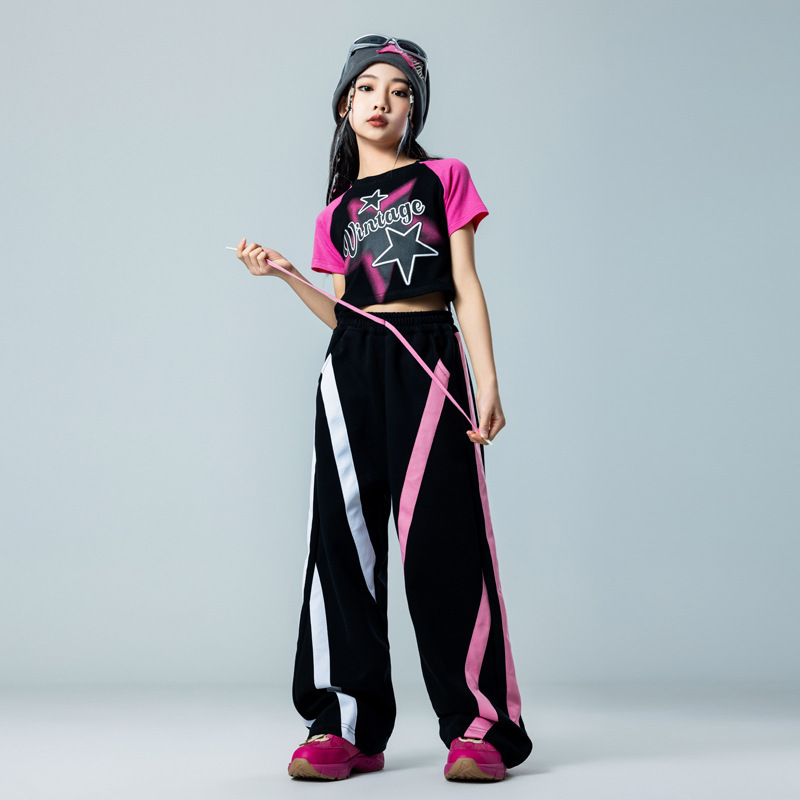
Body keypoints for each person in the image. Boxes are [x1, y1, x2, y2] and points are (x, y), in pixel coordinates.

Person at [236, 34, 533, 783]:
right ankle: (345, 726)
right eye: (368, 88)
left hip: (430, 357)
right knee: (342, 542)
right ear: (345, 104)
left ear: (413, 112)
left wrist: (488, 382)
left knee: (443, 538)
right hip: (352, 367)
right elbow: (345, 315)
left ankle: (480, 727)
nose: (383, 102)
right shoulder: (335, 213)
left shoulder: (443, 177)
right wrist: (288, 276)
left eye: (401, 93)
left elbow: (465, 284)